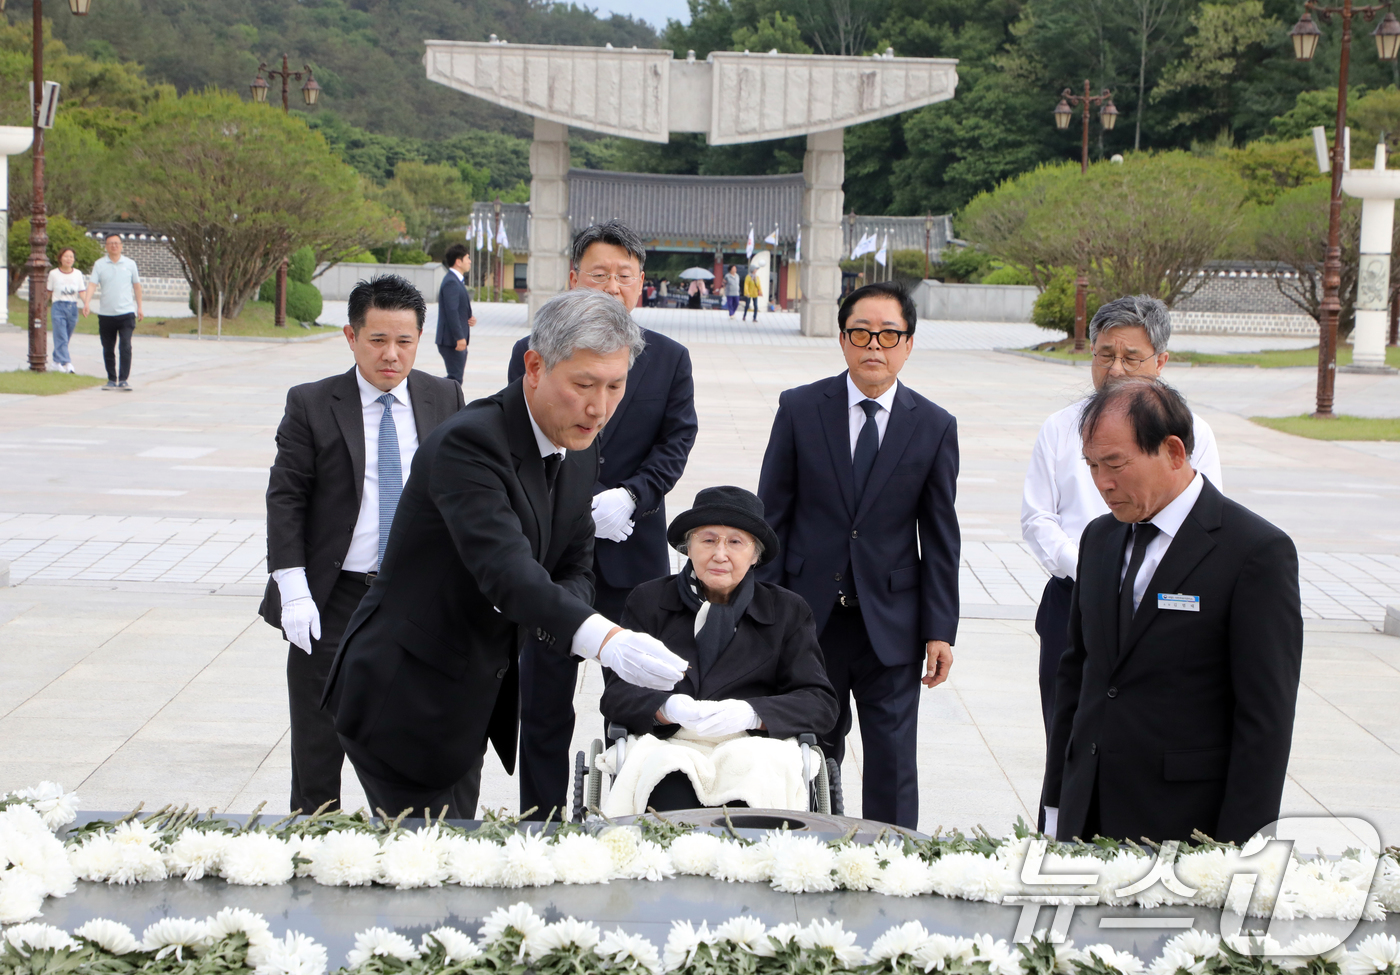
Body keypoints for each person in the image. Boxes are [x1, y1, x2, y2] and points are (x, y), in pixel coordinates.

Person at [323, 288, 689, 819]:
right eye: (584, 385)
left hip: (469, 695)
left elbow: (575, 566)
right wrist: (604, 639)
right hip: (404, 694)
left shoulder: (580, 446)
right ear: (534, 367)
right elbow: (508, 571)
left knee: (459, 845)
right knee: (421, 864)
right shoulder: (468, 444)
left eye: (615, 386)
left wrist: (551, 613)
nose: (599, 407)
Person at [1042, 378, 1302, 844]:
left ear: (1174, 452)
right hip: (1088, 814)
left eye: (1116, 464)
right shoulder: (1098, 539)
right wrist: (1056, 805)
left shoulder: (1255, 552)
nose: (1102, 482)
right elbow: (1077, 678)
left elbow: (1265, 721)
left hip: (1184, 824)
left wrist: (1238, 850)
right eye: (1092, 465)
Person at [507, 220, 698, 820]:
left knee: (638, 701)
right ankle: (540, 825)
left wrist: (634, 497)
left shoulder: (669, 358)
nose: (612, 286)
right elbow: (516, 437)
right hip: (555, 556)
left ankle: (628, 820)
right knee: (543, 702)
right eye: (599, 274)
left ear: (642, 284)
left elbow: (677, 439)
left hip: (631, 554)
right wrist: (563, 496)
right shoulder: (533, 352)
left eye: (625, 275)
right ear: (573, 280)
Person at [757, 280, 959, 830]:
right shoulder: (800, 409)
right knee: (810, 755)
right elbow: (771, 517)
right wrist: (766, 610)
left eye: (889, 334)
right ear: (843, 339)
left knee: (893, 760)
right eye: (862, 333)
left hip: (891, 623)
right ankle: (806, 854)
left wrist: (940, 628)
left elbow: (941, 536)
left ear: (909, 344)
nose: (875, 346)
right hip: (808, 618)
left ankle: (894, 863)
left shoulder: (934, 425)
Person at [260, 275, 465, 815]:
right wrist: (293, 588)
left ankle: (408, 845)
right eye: (377, 340)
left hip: (417, 599)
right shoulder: (311, 403)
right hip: (334, 597)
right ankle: (314, 845)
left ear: (420, 338)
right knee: (318, 745)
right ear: (350, 337)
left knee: (408, 738)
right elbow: (286, 499)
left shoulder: (444, 396)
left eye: (404, 341)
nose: (391, 355)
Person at [1021, 296, 1224, 766]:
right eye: (1104, 354)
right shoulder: (1059, 428)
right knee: (1067, 739)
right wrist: (1092, 569)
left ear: (1161, 362)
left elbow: (1205, 522)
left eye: (1131, 358)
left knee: (1149, 739)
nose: (1115, 369)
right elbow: (1038, 519)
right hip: (1073, 598)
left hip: (1160, 605)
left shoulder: (1194, 433)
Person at [599, 485, 838, 814]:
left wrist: (752, 713)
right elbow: (616, 695)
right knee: (668, 779)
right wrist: (667, 708)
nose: (720, 554)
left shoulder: (787, 611)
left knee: (755, 782)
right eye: (708, 540)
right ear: (689, 546)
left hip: (753, 744)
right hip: (670, 742)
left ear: (755, 556)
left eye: (736, 542)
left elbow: (819, 703)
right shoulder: (648, 601)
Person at [83, 232, 143, 391]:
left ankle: (123, 379)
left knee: (125, 346)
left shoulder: (130, 264)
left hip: (126, 313)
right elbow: (92, 285)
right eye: (110, 243)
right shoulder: (99, 264)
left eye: (117, 243)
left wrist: (140, 307)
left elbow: (136, 286)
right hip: (106, 314)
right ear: (106, 246)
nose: (114, 246)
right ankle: (111, 378)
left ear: (121, 246)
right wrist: (87, 303)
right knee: (108, 347)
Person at [436, 243, 476, 383]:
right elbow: (451, 311)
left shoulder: (456, 281)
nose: (470, 261)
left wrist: (469, 318)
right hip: (451, 341)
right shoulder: (451, 282)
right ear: (458, 262)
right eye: (467, 258)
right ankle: (434, 397)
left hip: (454, 340)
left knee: (455, 378)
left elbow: (457, 309)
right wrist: (459, 337)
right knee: (455, 379)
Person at [46, 247, 85, 374]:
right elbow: (49, 292)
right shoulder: (53, 273)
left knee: (65, 337)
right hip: (58, 306)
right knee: (61, 336)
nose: (69, 259)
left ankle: (56, 363)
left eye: (71, 257)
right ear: (60, 258)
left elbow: (82, 291)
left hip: (72, 307)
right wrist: (43, 306)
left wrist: (86, 304)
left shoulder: (77, 273)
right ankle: (67, 363)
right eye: (66, 256)